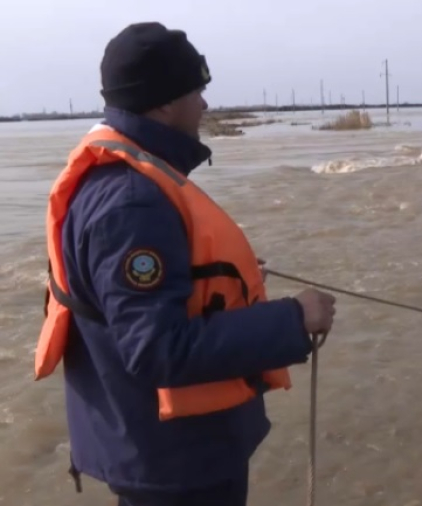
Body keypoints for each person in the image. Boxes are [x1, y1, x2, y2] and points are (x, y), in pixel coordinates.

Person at [34, 22, 336, 506]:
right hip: (173, 466)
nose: (205, 104)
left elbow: (127, 304)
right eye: (198, 89)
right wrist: (293, 320)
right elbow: (157, 349)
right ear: (165, 102)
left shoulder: (124, 179)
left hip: (157, 452)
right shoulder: (132, 203)